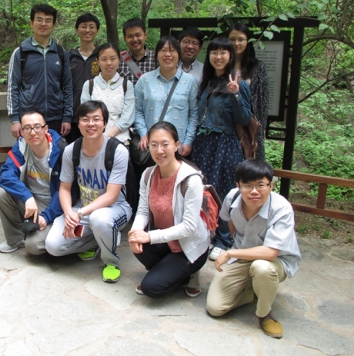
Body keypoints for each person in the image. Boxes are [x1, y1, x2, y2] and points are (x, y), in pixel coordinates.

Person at [207, 158, 301, 339]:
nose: (254, 191)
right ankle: (256, 290)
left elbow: (271, 252)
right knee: (215, 308)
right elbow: (231, 225)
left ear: (271, 186)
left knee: (261, 268)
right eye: (248, 186)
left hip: (275, 261)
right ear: (238, 185)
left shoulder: (281, 208)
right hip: (243, 256)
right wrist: (236, 251)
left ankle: (265, 314)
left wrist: (231, 252)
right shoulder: (232, 198)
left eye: (261, 185)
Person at [45, 100, 132, 283]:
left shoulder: (117, 151)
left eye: (96, 119)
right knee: (53, 246)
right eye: (85, 119)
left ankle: (111, 261)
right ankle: (97, 241)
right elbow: (64, 188)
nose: (91, 124)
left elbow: (111, 196)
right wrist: (69, 214)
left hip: (115, 209)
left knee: (99, 219)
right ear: (78, 123)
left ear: (104, 123)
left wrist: (79, 213)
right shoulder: (71, 150)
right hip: (82, 209)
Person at [128, 122, 209, 299]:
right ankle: (172, 273)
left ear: (176, 145)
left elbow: (189, 227)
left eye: (165, 144)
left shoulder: (191, 179)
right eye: (154, 145)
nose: (159, 151)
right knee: (137, 243)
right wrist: (135, 232)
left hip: (187, 246)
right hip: (164, 242)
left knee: (151, 288)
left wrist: (149, 236)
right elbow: (142, 211)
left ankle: (189, 271)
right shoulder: (148, 174)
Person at [191, 36, 252, 261]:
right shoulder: (207, 82)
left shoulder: (238, 84)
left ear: (230, 55)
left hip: (225, 144)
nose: (218, 56)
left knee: (225, 191)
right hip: (203, 144)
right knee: (204, 190)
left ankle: (223, 240)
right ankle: (206, 233)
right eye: (214, 52)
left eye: (223, 52)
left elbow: (244, 118)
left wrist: (235, 94)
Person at [0, 110, 65, 254]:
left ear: (46, 129)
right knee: (1, 194)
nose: (32, 132)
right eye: (27, 128)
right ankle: (16, 240)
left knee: (34, 246)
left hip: (53, 205)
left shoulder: (61, 150)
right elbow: (6, 174)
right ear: (21, 131)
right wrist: (27, 197)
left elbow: (66, 191)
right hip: (31, 201)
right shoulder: (21, 146)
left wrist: (47, 216)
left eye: (37, 127)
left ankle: (49, 231)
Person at [7, 4, 73, 139]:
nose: (43, 24)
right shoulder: (21, 53)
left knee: (55, 151)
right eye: (39, 19)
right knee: (29, 152)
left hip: (56, 118)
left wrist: (67, 116)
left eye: (48, 20)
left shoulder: (60, 53)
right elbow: (12, 87)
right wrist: (14, 119)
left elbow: (67, 86)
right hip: (29, 118)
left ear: (53, 25)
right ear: (31, 23)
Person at [134, 36, 198, 159]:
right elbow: (137, 111)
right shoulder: (145, 80)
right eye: (163, 50)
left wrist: (188, 141)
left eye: (172, 50)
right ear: (156, 55)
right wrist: (144, 134)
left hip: (178, 146)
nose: (167, 54)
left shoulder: (190, 81)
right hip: (152, 145)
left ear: (179, 54)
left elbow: (194, 114)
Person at [227, 23, 269, 160]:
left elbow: (262, 102)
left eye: (241, 39)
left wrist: (258, 132)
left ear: (248, 41)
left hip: (248, 126)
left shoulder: (258, 67)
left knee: (249, 168)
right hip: (226, 127)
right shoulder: (222, 66)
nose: (236, 43)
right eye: (232, 39)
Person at [80, 43, 135, 145]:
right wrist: (99, 136)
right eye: (104, 59)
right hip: (94, 141)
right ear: (97, 61)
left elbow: (127, 117)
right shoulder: (89, 85)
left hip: (120, 141)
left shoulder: (127, 85)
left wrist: (108, 136)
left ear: (119, 60)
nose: (109, 63)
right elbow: (85, 115)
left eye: (113, 59)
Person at [68, 13, 101, 142]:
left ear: (97, 30)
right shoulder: (69, 57)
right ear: (76, 30)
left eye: (91, 26)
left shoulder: (102, 56)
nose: (87, 30)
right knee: (74, 150)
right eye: (83, 26)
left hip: (97, 117)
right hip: (73, 117)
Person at [118, 18, 158, 85]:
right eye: (130, 36)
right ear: (124, 38)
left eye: (138, 35)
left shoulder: (156, 59)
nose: (135, 39)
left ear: (145, 35)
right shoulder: (118, 59)